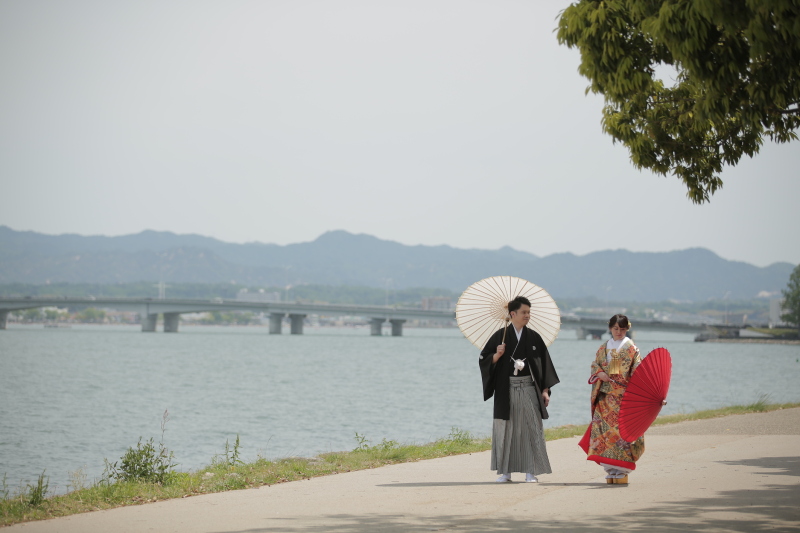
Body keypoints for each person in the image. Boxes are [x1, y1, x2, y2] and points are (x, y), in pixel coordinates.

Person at [479, 296, 560, 483]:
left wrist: (545, 390)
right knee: (506, 430)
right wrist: (497, 355)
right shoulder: (500, 336)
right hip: (506, 389)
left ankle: (531, 471)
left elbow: (545, 365)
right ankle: (505, 472)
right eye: (524, 312)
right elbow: (483, 359)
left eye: (529, 312)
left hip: (529, 388)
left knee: (531, 428)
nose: (527, 315)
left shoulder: (534, 337)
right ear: (512, 314)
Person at [580, 314, 644, 484]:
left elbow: (638, 371)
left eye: (622, 329)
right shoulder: (604, 347)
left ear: (627, 329)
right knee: (604, 433)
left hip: (623, 397)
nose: (619, 332)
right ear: (610, 328)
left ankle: (622, 470)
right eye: (615, 328)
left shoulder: (632, 348)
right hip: (605, 397)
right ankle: (610, 468)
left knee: (621, 434)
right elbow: (595, 364)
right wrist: (599, 373)